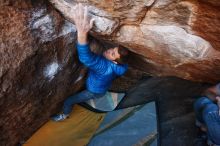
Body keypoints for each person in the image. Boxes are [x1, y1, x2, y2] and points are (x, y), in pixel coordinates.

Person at [52, 4, 128, 121]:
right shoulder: (122, 67)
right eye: (113, 49)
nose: (109, 50)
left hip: (93, 91)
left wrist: (82, 33)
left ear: (115, 62)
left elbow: (86, 58)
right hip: (101, 89)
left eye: (112, 54)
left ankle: (64, 115)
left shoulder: (104, 67)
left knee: (69, 100)